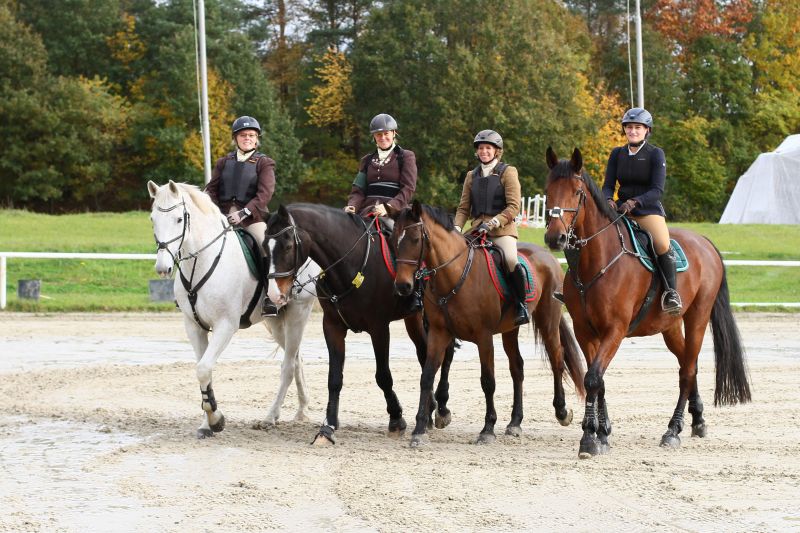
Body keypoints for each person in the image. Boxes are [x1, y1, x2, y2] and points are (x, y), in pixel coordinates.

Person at [601, 107, 682, 315]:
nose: (633, 131)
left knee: (662, 243)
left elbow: (657, 190)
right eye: (629, 127)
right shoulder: (617, 153)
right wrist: (608, 199)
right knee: (594, 236)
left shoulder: (655, 154)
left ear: (647, 130)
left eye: (638, 127)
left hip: (647, 210)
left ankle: (671, 292)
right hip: (620, 209)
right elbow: (608, 185)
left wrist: (635, 202)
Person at [454, 130, 529, 326]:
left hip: (501, 231)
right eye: (481, 148)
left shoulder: (508, 172)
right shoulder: (471, 175)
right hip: (476, 230)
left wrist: (495, 222)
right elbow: (463, 208)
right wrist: (456, 228)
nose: (484, 151)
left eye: (488, 148)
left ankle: (521, 304)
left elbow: (514, 206)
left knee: (511, 259)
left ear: (497, 151)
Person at [205, 115, 278, 316]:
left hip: (252, 218)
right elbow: (211, 189)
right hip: (222, 216)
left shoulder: (264, 162)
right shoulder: (223, 162)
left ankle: (269, 296)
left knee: (265, 246)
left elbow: (265, 194)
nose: (247, 138)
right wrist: (213, 209)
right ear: (235, 138)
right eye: (243, 135)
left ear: (256, 139)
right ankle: (188, 292)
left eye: (251, 135)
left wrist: (244, 212)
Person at [345, 113, 417, 217]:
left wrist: (389, 207)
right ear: (374, 136)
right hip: (366, 212)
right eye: (379, 134)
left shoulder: (406, 156)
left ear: (393, 133)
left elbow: (408, 188)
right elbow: (358, 190)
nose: (383, 137)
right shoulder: (366, 160)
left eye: (386, 133)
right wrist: (352, 205)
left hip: (394, 213)